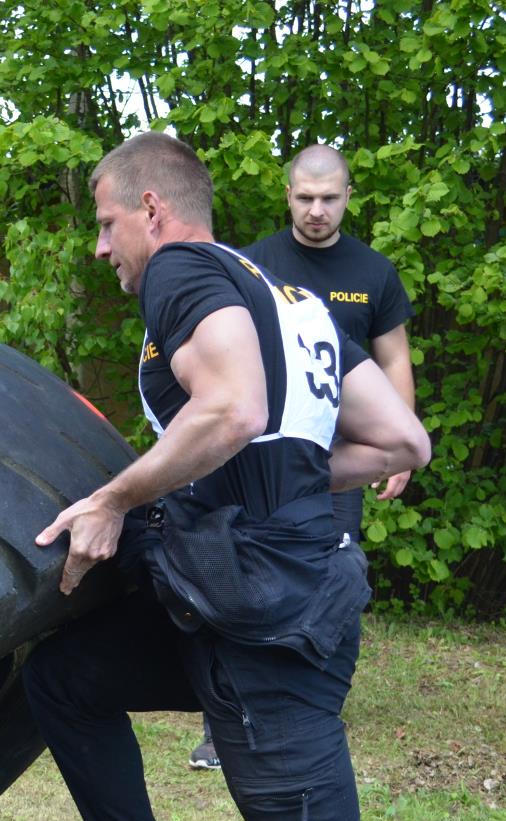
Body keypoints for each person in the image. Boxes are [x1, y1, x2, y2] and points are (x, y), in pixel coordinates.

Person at [25, 132, 494, 821]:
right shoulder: (290, 297)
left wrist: (116, 499)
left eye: (107, 222)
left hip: (270, 635)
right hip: (245, 600)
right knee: (66, 677)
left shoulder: (180, 272)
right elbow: (403, 441)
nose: (102, 245)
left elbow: (233, 408)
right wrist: (266, 480)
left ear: (152, 209)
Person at [187, 143, 418, 772]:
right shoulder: (252, 263)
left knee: (332, 574)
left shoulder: (374, 271)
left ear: (348, 197)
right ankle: (223, 725)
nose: (317, 210)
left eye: (329, 198)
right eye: (306, 197)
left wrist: (399, 446)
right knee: (240, 574)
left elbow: (394, 358)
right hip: (260, 454)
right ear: (288, 195)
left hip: (338, 457)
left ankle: (313, 707)